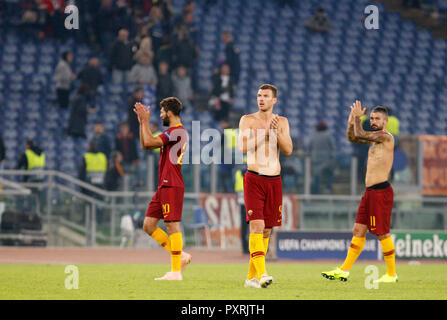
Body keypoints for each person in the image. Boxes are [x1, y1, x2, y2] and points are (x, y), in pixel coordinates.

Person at [322, 102, 398, 284]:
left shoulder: (386, 137)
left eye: (377, 118)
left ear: (385, 121)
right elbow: (352, 137)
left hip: (381, 192)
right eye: (371, 118)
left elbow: (359, 134)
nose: (373, 121)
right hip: (369, 192)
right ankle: (344, 270)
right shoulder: (374, 139)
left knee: (382, 234)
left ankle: (391, 273)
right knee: (358, 230)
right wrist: (351, 122)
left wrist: (356, 118)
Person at [238, 84, 293, 288]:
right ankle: (262, 274)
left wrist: (276, 132)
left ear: (274, 100)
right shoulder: (247, 120)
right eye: (259, 95)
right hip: (254, 177)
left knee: (267, 231)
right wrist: (265, 134)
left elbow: (288, 149)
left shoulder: (282, 122)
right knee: (257, 226)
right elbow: (242, 147)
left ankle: (251, 278)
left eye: (265, 96)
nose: (261, 99)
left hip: (274, 180)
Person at [133, 97, 192, 281]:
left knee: (172, 226)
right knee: (148, 225)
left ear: (170, 112)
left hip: (172, 184)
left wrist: (145, 122)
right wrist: (143, 122)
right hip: (164, 185)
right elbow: (145, 144)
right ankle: (180, 255)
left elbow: (149, 142)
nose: (160, 114)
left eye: (162, 111)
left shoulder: (177, 132)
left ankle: (176, 271)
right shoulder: (172, 133)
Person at [309, 120, 335, 194]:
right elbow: (333, 147)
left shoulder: (313, 135)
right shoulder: (328, 135)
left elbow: (309, 147)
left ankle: (316, 192)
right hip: (326, 160)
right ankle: (328, 188)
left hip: (316, 159)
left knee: (316, 176)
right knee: (330, 173)